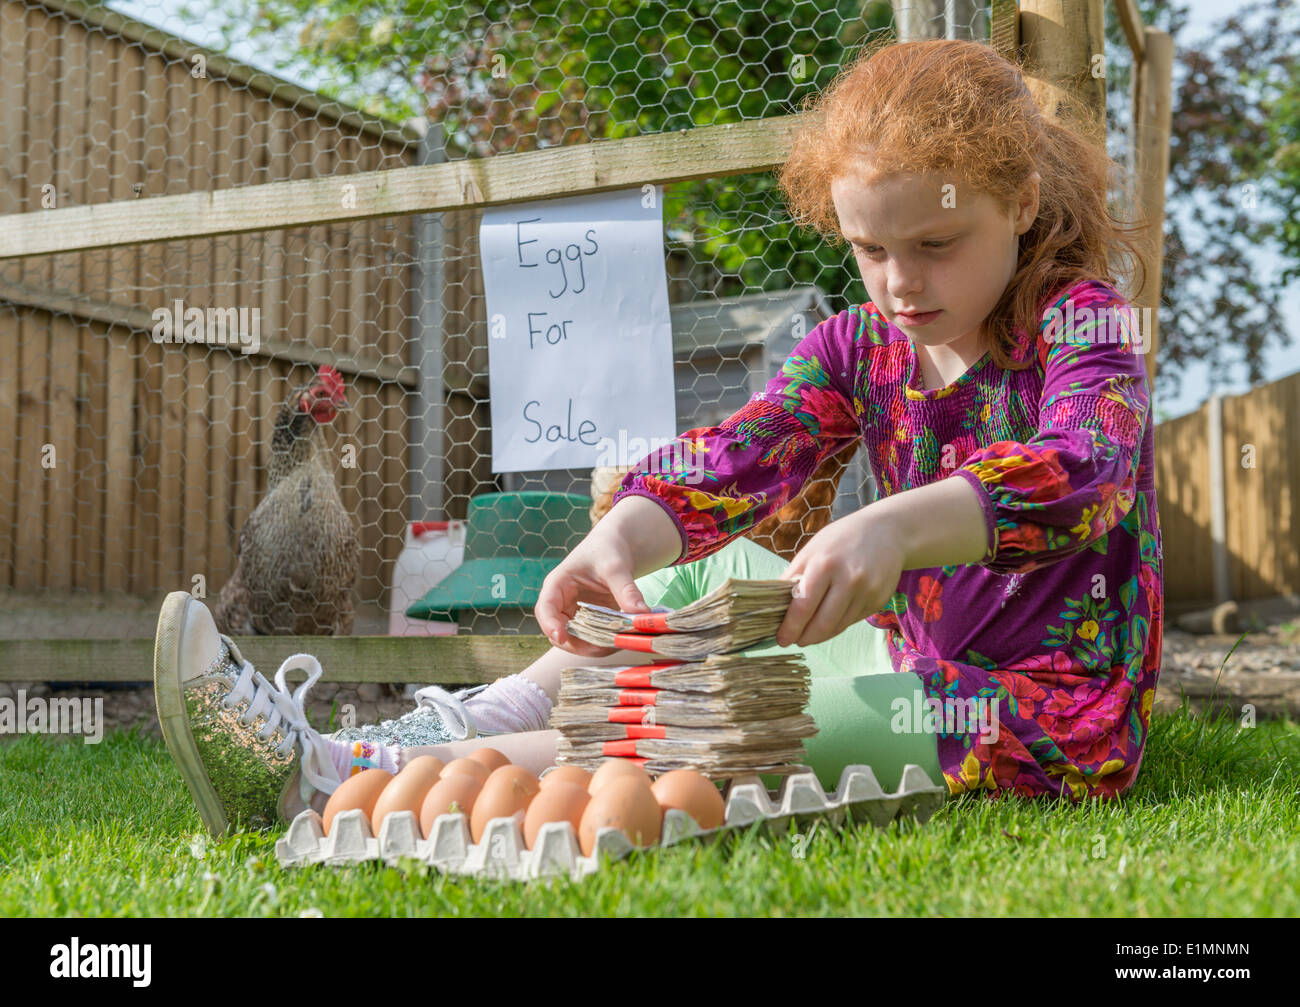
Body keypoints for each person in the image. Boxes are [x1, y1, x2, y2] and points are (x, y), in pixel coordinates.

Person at [153, 37, 1164, 837]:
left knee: (755, 707)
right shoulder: (862, 346)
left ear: (1021, 205)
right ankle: (453, 725)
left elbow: (1089, 469)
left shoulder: (1082, 325)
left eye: (936, 245)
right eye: (868, 249)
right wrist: (622, 538)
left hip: (1040, 711)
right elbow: (738, 457)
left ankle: (333, 781)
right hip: (911, 651)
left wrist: (894, 529)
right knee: (690, 577)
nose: (899, 282)